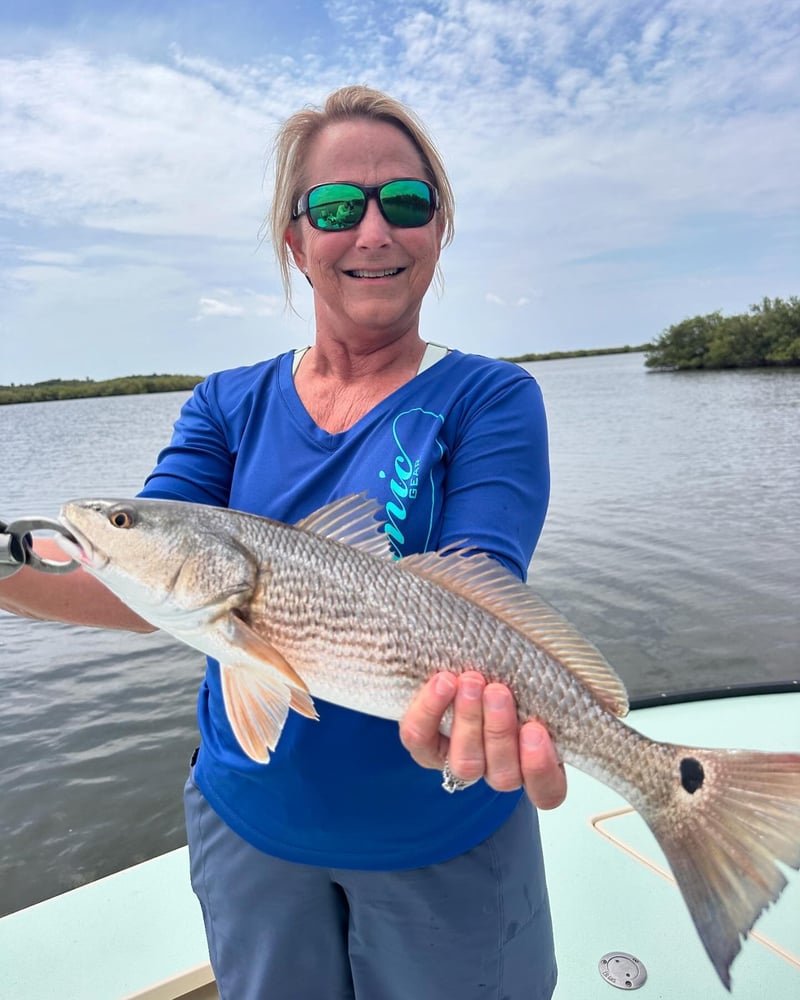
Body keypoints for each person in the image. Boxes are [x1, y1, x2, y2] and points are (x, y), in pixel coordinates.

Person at [0, 86, 565, 999]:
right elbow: (141, 581)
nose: (373, 231)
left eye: (407, 204)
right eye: (338, 208)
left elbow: (481, 589)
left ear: (437, 230)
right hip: (249, 832)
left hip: (441, 834)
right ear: (297, 243)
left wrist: (479, 708)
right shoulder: (225, 402)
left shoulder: (490, 399)